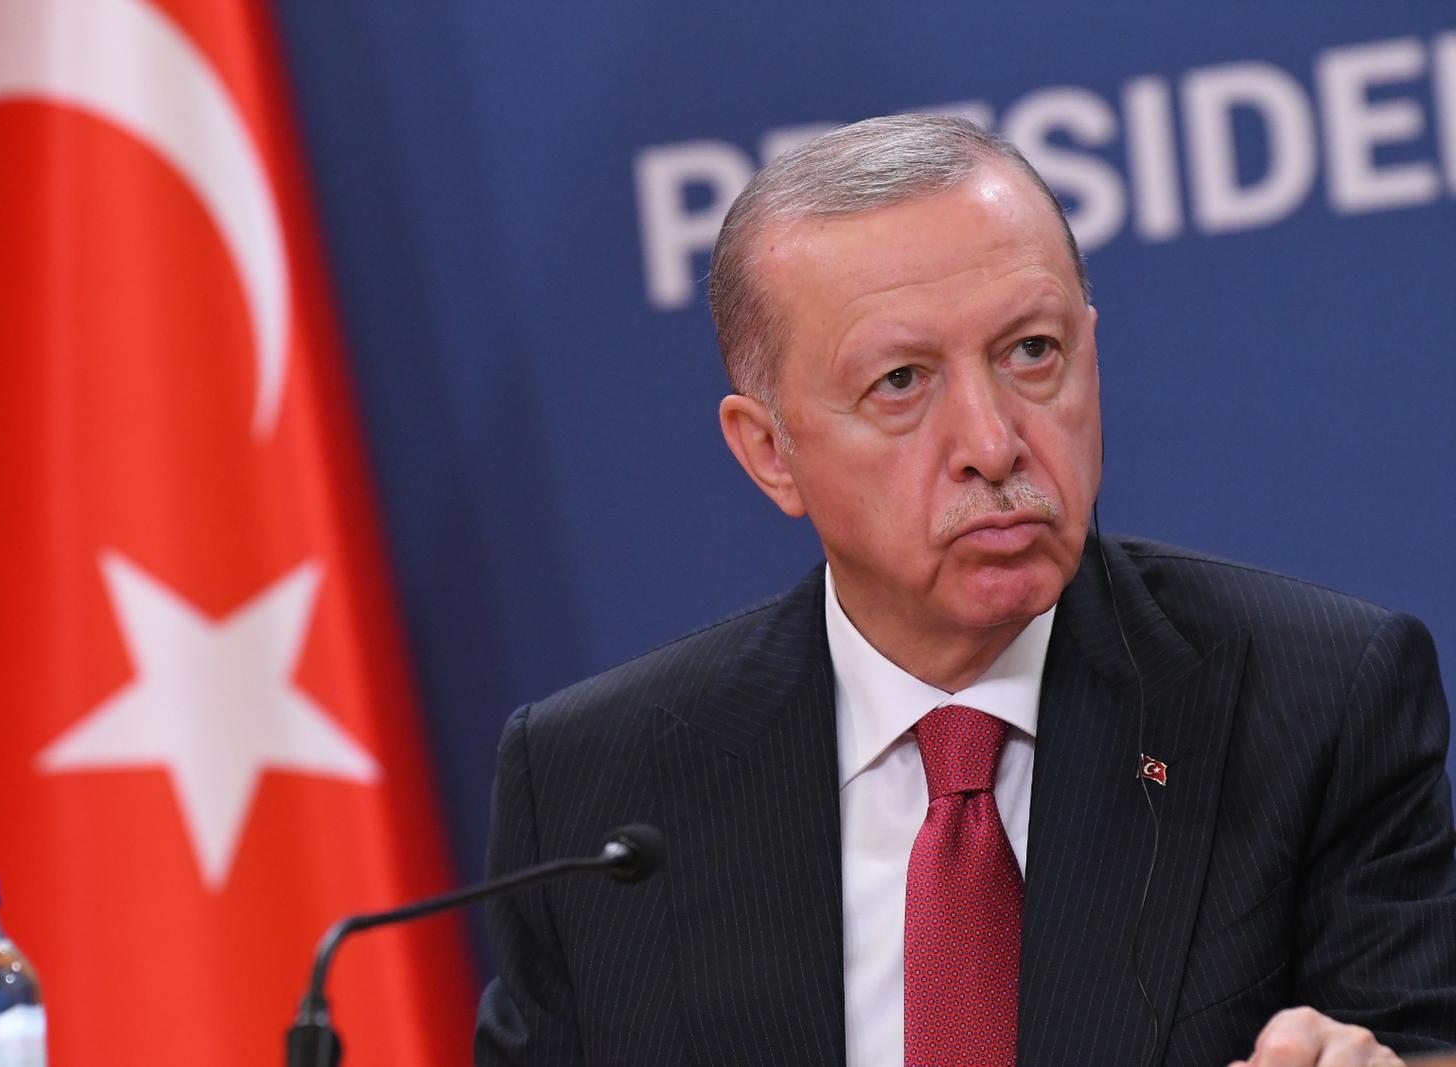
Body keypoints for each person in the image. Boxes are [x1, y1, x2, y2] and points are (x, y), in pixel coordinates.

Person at [473, 114, 1456, 1067]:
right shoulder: (593, 789)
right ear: (768, 450)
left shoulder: (1312, 700)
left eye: (1032, 352)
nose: (993, 444)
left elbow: (1418, 1038)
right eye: (900, 380)